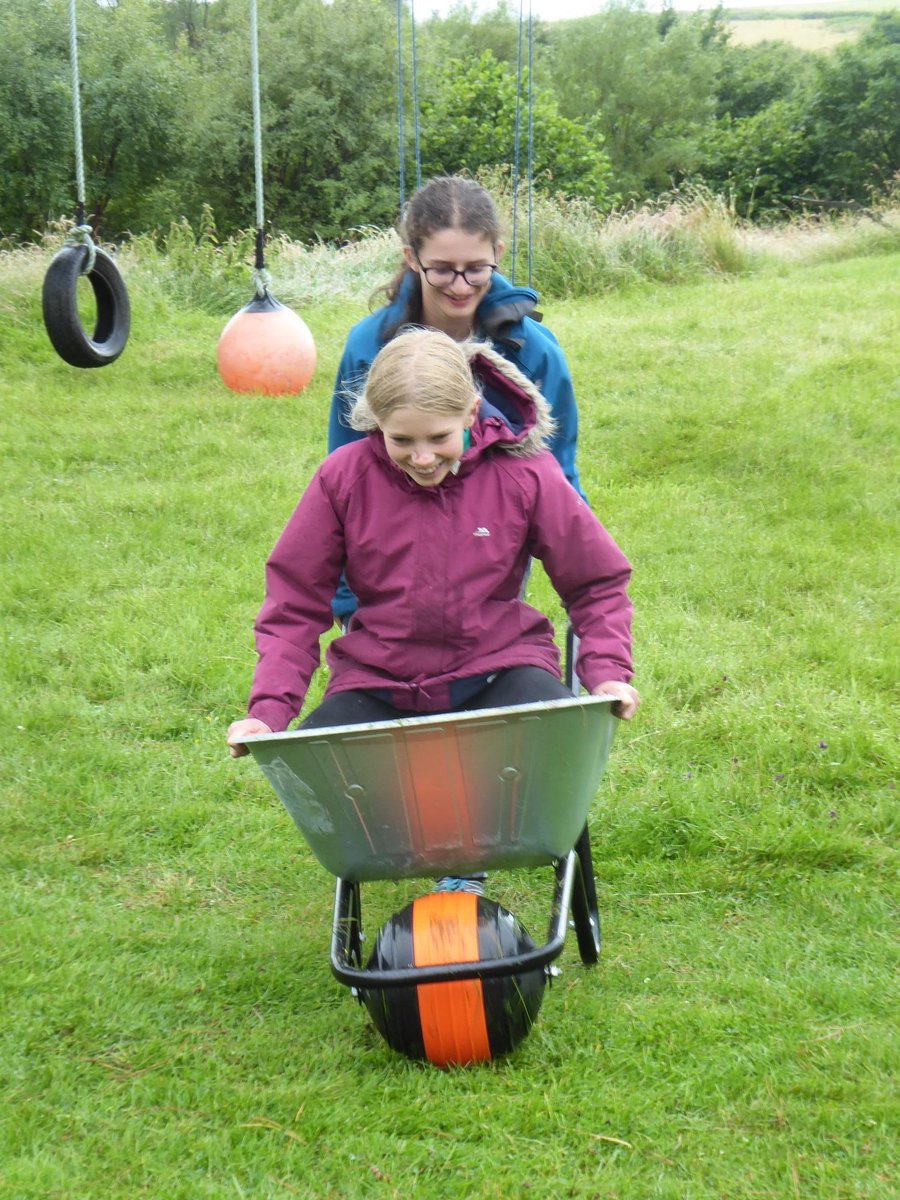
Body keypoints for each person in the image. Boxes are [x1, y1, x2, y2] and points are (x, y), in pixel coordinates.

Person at [228, 328, 638, 764]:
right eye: (401, 440)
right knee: (326, 780)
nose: (422, 458)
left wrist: (607, 673)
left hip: (501, 671)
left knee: (555, 768)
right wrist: (268, 712)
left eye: (439, 437)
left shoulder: (526, 474)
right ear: (376, 422)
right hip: (377, 682)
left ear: (471, 413)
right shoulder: (342, 479)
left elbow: (595, 581)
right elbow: (295, 601)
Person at [327, 175, 585, 622]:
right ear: (412, 258)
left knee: (483, 657)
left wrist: (583, 576)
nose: (461, 286)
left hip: (493, 547)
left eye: (477, 268)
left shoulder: (535, 351)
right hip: (391, 546)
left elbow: (558, 471)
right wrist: (349, 605)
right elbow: (343, 476)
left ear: (497, 256)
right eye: (442, 269)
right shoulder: (368, 346)